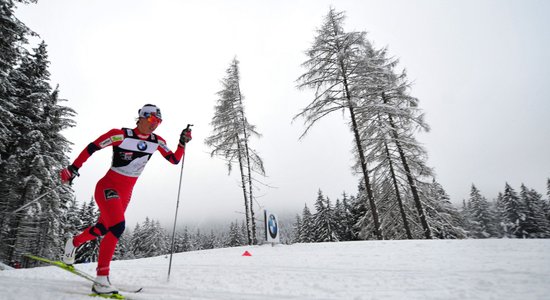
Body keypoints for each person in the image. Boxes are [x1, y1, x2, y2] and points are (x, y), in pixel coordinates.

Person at [59, 104, 192, 295]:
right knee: (118, 226)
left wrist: (182, 142)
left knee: (103, 228)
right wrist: (73, 168)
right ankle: (101, 279)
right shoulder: (121, 135)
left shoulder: (157, 141)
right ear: (142, 117)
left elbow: (174, 159)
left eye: (159, 122)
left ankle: (73, 243)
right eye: (153, 120)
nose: (155, 125)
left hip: (126, 193)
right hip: (107, 187)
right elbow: (92, 147)